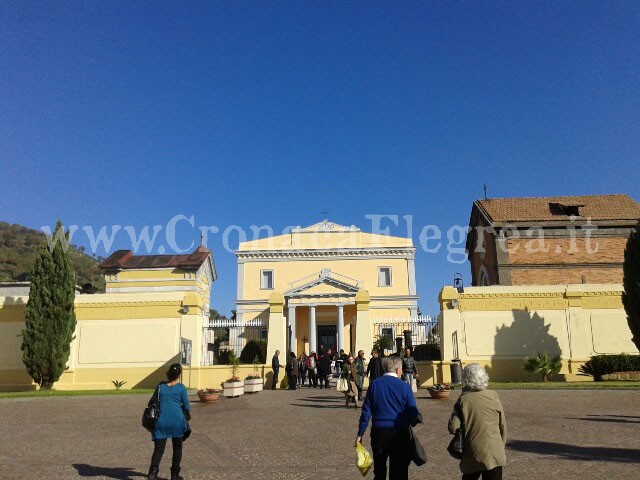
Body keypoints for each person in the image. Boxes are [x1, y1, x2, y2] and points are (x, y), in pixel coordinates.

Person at [356, 357, 420, 480]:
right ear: (398, 370)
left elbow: (366, 412)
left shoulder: (375, 384)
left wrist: (360, 433)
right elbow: (412, 412)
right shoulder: (404, 386)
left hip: (379, 432)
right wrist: (412, 420)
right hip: (399, 432)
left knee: (379, 470)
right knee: (399, 470)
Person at [448, 364, 507, 480]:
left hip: (473, 452)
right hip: (495, 452)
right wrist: (501, 445)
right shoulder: (493, 395)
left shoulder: (463, 400)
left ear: (466, 379)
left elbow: (453, 427)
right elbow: (502, 425)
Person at [147, 363, 190, 480]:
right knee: (177, 448)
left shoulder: (161, 386)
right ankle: (174, 475)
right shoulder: (181, 388)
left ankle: (153, 472)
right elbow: (186, 406)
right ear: (179, 375)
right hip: (177, 422)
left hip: (161, 421)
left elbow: (153, 401)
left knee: (159, 449)